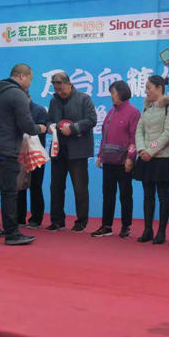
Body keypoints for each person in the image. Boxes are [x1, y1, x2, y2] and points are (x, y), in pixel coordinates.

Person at [0, 64, 46, 246]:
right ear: (22, 76)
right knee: (9, 192)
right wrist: (39, 128)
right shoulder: (18, 94)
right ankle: (12, 233)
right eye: (31, 79)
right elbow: (26, 124)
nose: (30, 83)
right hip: (6, 149)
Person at [46, 72, 97, 233]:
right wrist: (50, 127)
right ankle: (57, 221)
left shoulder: (83, 99)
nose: (60, 92)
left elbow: (91, 119)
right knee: (56, 187)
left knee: (80, 188)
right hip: (58, 150)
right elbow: (48, 119)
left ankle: (81, 221)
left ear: (69, 84)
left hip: (78, 151)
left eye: (62, 89)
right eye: (56, 89)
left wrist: (73, 129)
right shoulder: (53, 101)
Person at [133, 75, 169, 244]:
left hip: (162, 157)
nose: (146, 91)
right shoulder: (147, 108)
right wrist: (141, 149)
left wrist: (150, 151)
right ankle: (148, 230)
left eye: (149, 87)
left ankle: (161, 232)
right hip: (145, 157)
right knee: (148, 195)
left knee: (163, 195)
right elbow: (139, 130)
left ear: (159, 88)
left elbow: (168, 134)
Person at [91, 81, 140, 239]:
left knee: (125, 195)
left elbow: (134, 137)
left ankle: (126, 226)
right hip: (108, 160)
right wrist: (100, 155)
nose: (111, 96)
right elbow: (104, 136)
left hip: (124, 162)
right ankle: (106, 226)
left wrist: (130, 158)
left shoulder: (133, 112)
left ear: (121, 92)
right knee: (108, 194)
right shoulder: (110, 113)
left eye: (113, 92)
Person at [17, 92, 48, 229]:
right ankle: (19, 217)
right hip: (19, 153)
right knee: (19, 186)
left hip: (35, 154)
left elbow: (42, 129)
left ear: (29, 98)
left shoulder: (39, 110)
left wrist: (31, 129)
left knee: (36, 186)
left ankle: (36, 219)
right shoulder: (16, 109)